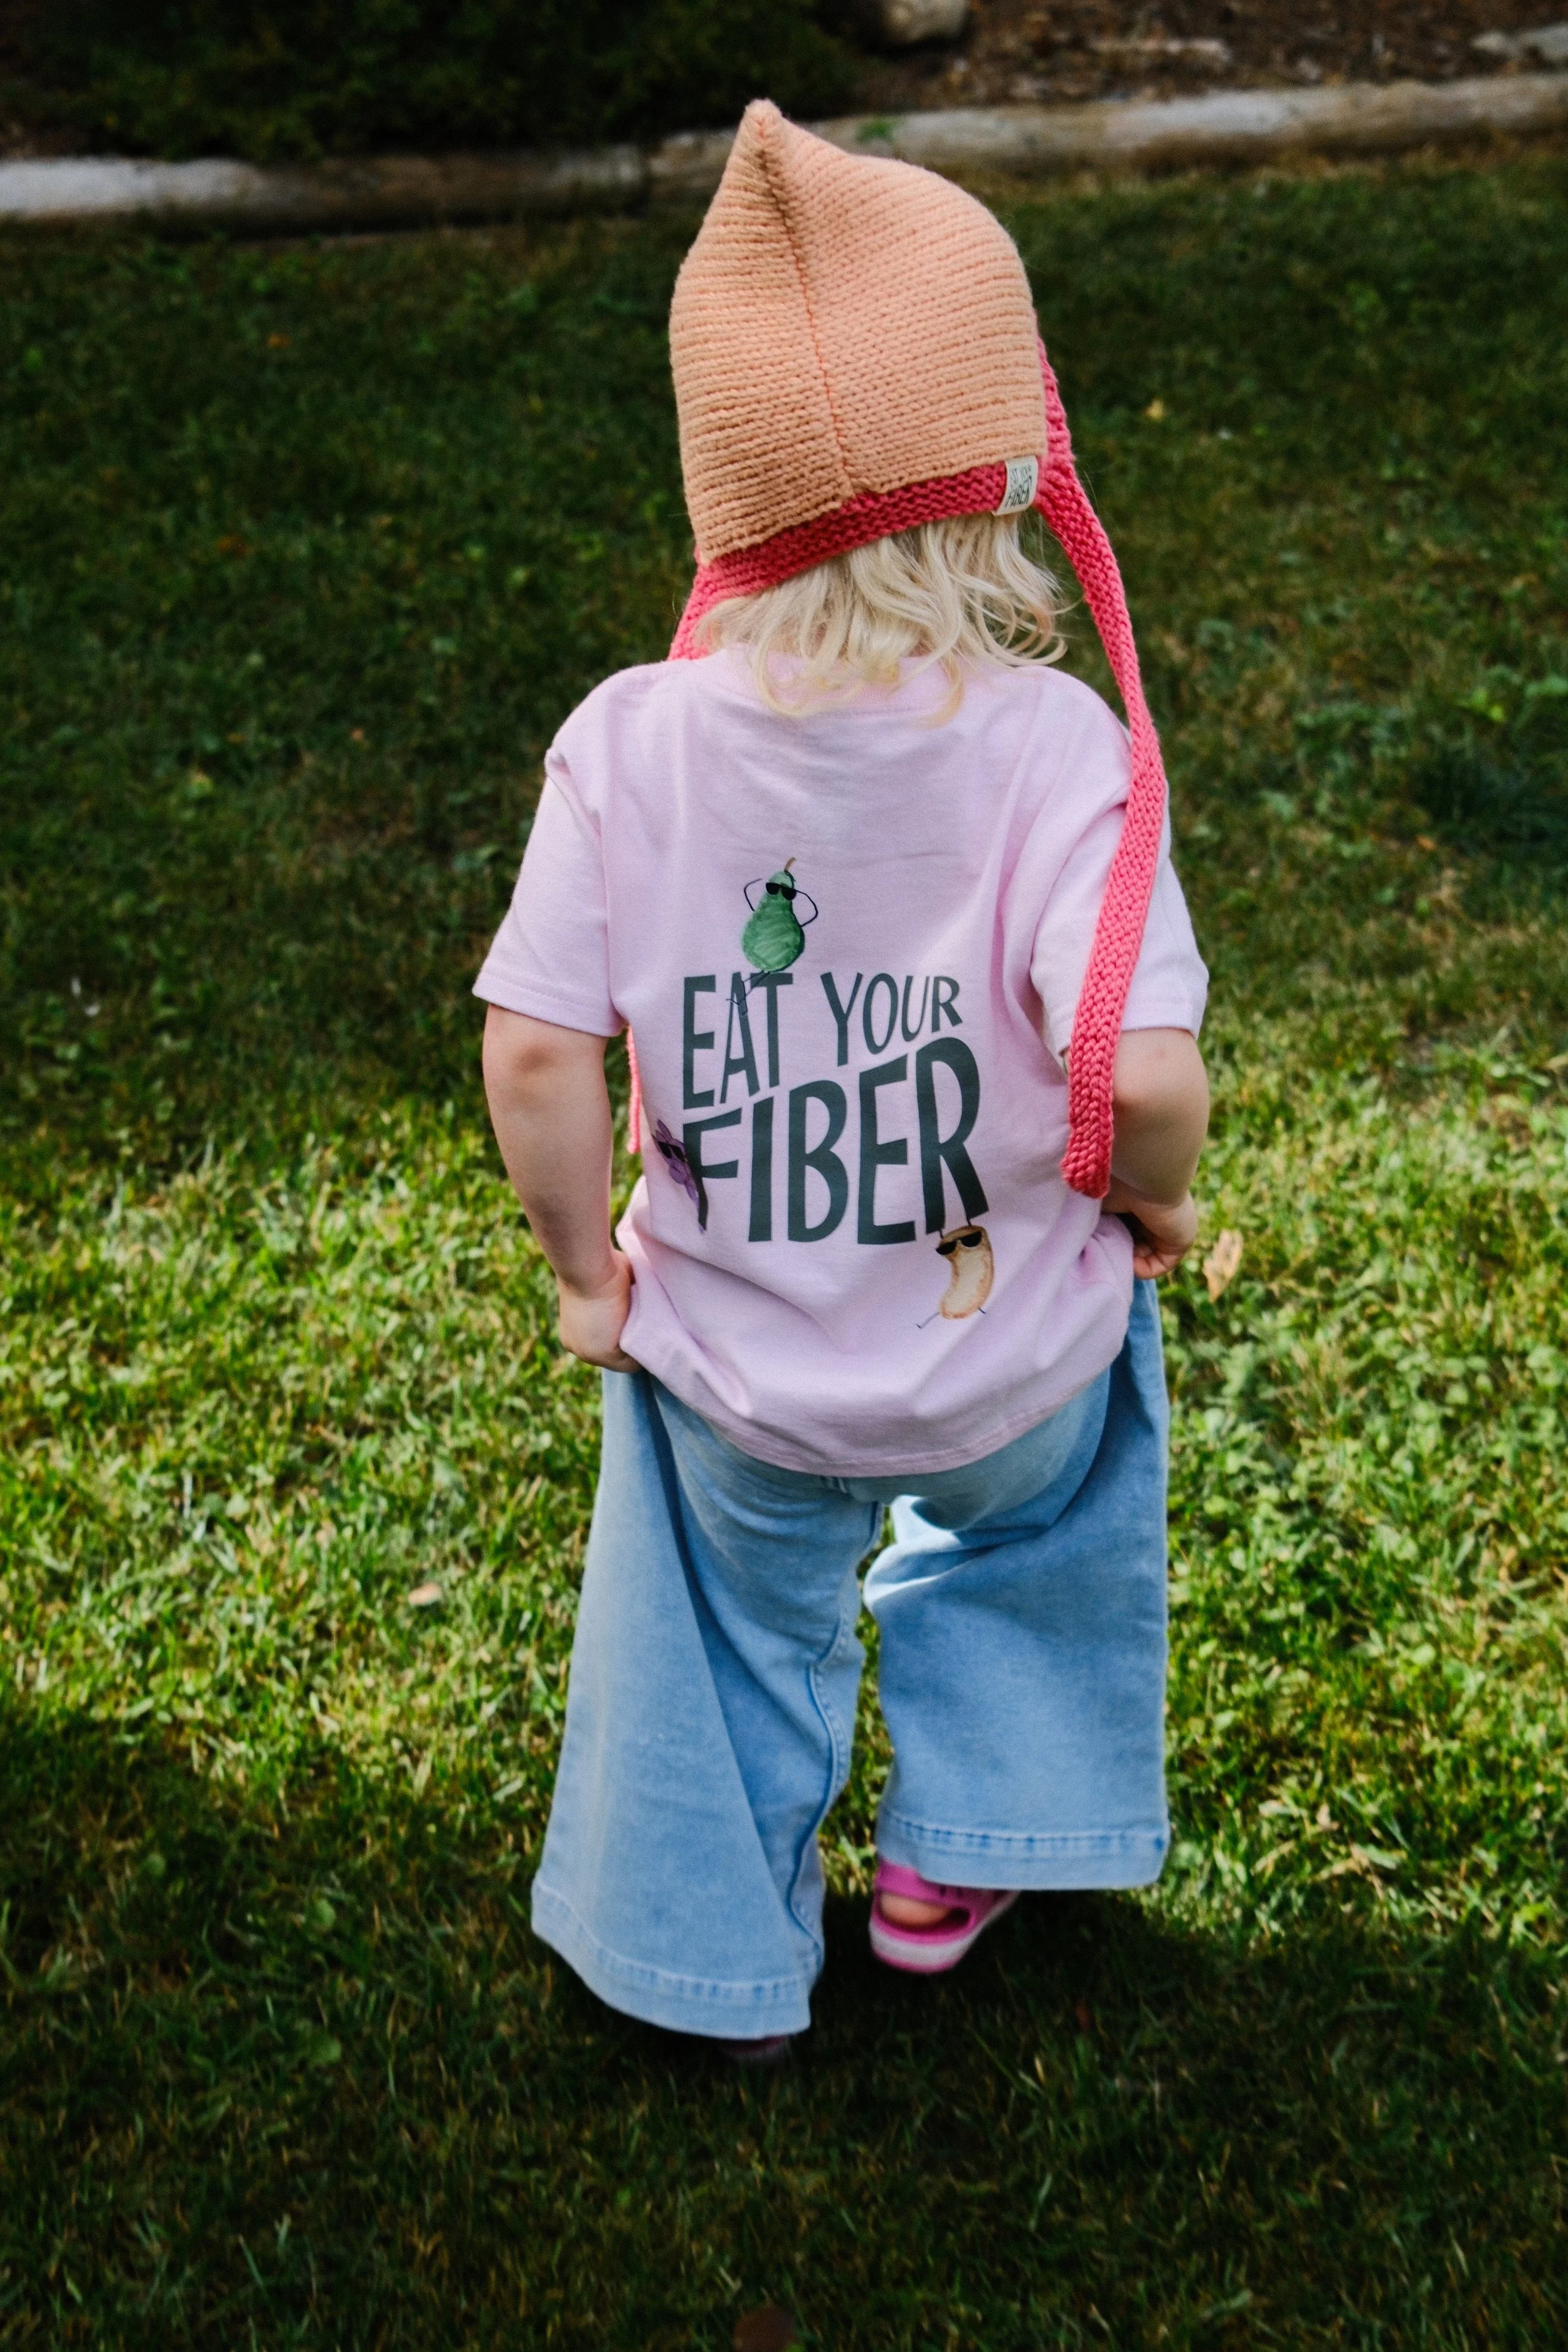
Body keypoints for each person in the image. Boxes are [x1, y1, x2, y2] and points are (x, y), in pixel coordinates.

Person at [476, 102, 1209, 2061]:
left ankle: (703, 1946)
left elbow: (539, 1047)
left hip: (735, 1379)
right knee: (1030, 1526)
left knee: (718, 1628)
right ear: (999, 472)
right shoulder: (1056, 751)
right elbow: (1139, 1071)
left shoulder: (626, 743)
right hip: (1000, 1375)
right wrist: (1152, 1201)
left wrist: (579, 1271)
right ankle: (958, 1849)